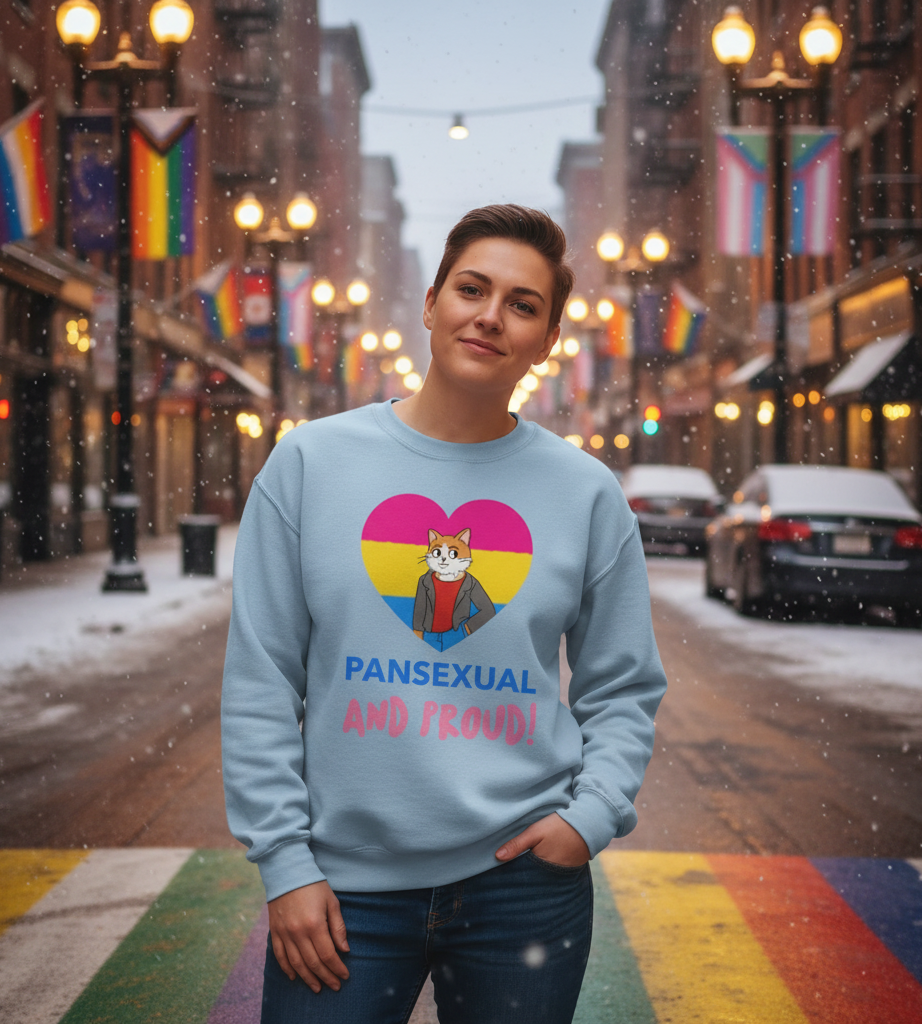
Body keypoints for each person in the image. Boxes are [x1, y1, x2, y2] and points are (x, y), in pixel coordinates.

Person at [221, 204, 667, 1024]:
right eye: (472, 289)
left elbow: (624, 684)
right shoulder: (312, 465)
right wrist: (286, 863)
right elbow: (261, 680)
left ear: (547, 340)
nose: (491, 316)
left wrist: (591, 815)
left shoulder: (584, 494)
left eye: (523, 305)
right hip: (343, 889)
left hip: (523, 889)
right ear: (431, 304)